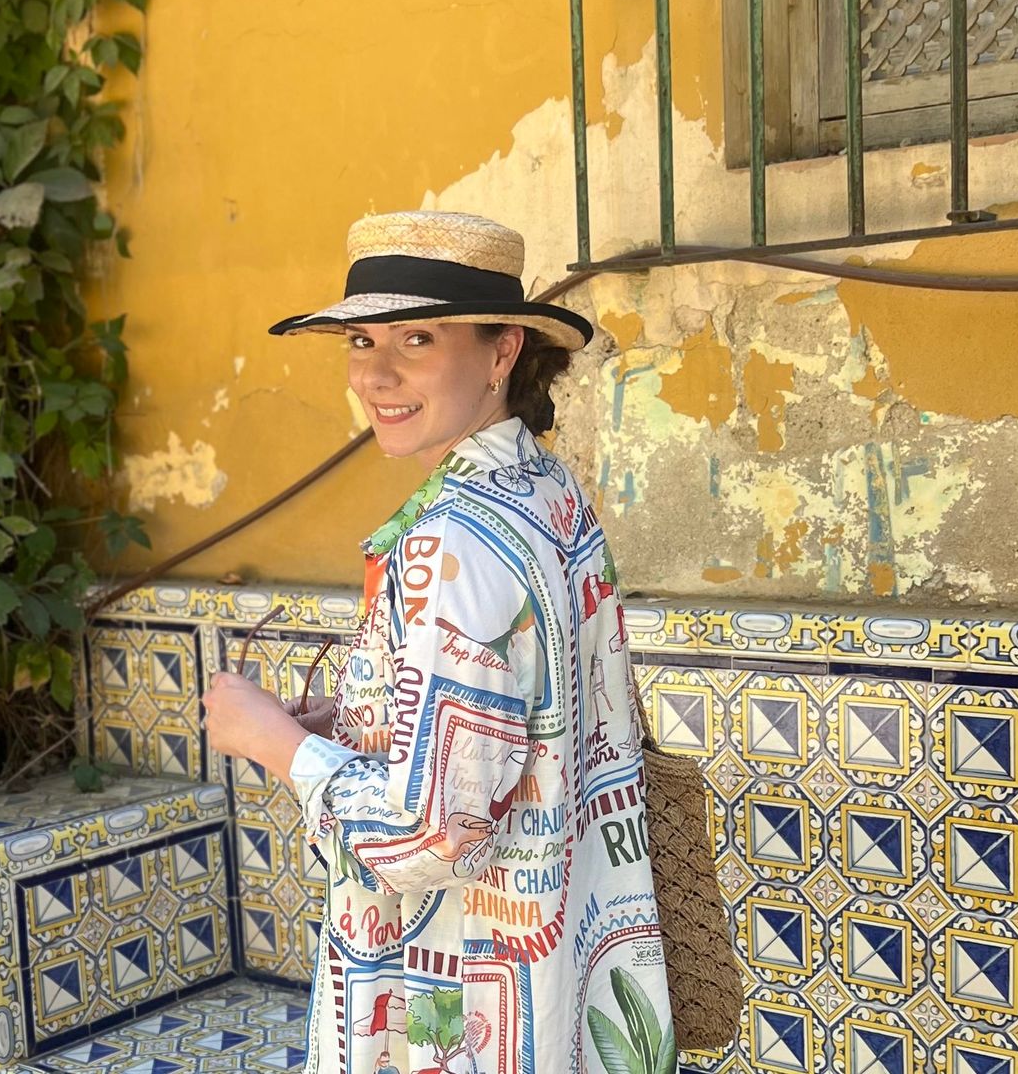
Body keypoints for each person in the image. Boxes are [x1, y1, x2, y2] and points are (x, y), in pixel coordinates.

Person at [200, 211, 674, 1074]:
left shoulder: (453, 537)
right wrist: (365, 716)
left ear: (501, 354)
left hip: (463, 974)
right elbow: (524, 705)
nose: (375, 374)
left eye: (416, 338)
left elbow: (436, 834)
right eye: (359, 341)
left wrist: (273, 743)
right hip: (557, 948)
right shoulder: (541, 485)